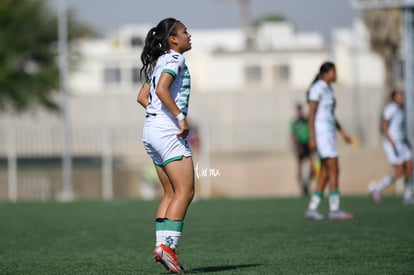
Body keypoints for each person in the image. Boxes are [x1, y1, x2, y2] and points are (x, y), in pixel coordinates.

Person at [136, 18, 194, 274]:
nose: (188, 35)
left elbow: (142, 97)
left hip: (151, 130)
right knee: (185, 192)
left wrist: (158, 117)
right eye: (184, 32)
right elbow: (161, 90)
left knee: (170, 193)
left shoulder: (158, 61)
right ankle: (168, 248)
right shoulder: (174, 59)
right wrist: (179, 117)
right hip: (167, 132)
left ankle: (162, 247)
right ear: (173, 39)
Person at [304, 62, 354, 220]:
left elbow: (330, 115)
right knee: (334, 169)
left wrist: (342, 132)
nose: (335, 75)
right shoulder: (317, 88)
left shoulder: (328, 89)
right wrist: (312, 138)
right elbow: (311, 114)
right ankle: (334, 209)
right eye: (333, 72)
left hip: (329, 133)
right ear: (325, 73)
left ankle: (312, 208)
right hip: (322, 134)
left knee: (326, 172)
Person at [369, 90, 414, 204]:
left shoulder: (401, 109)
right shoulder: (390, 109)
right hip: (392, 144)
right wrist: (392, 141)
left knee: (409, 167)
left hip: (402, 143)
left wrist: (405, 140)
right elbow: (383, 126)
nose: (401, 99)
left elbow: (399, 127)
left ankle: (408, 196)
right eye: (398, 97)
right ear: (393, 98)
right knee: (399, 171)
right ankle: (377, 188)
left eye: (401, 96)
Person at [290, 103, 315, 197]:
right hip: (300, 145)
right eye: (298, 110)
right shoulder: (295, 122)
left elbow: (312, 131)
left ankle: (307, 183)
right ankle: (302, 187)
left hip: (308, 145)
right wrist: (296, 146)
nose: (300, 112)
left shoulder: (306, 120)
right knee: (299, 168)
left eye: (301, 109)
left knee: (312, 168)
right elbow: (292, 135)